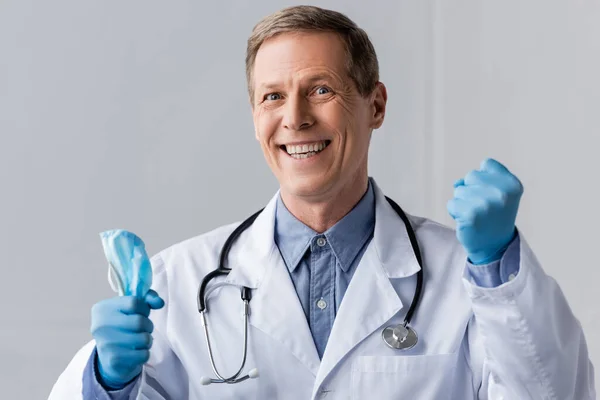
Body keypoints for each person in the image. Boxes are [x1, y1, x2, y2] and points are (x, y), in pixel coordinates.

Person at [49, 5, 595, 399]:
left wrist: (500, 272)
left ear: (375, 104)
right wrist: (108, 383)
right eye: (272, 96)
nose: (295, 118)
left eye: (321, 89)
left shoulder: (462, 276)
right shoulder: (179, 283)